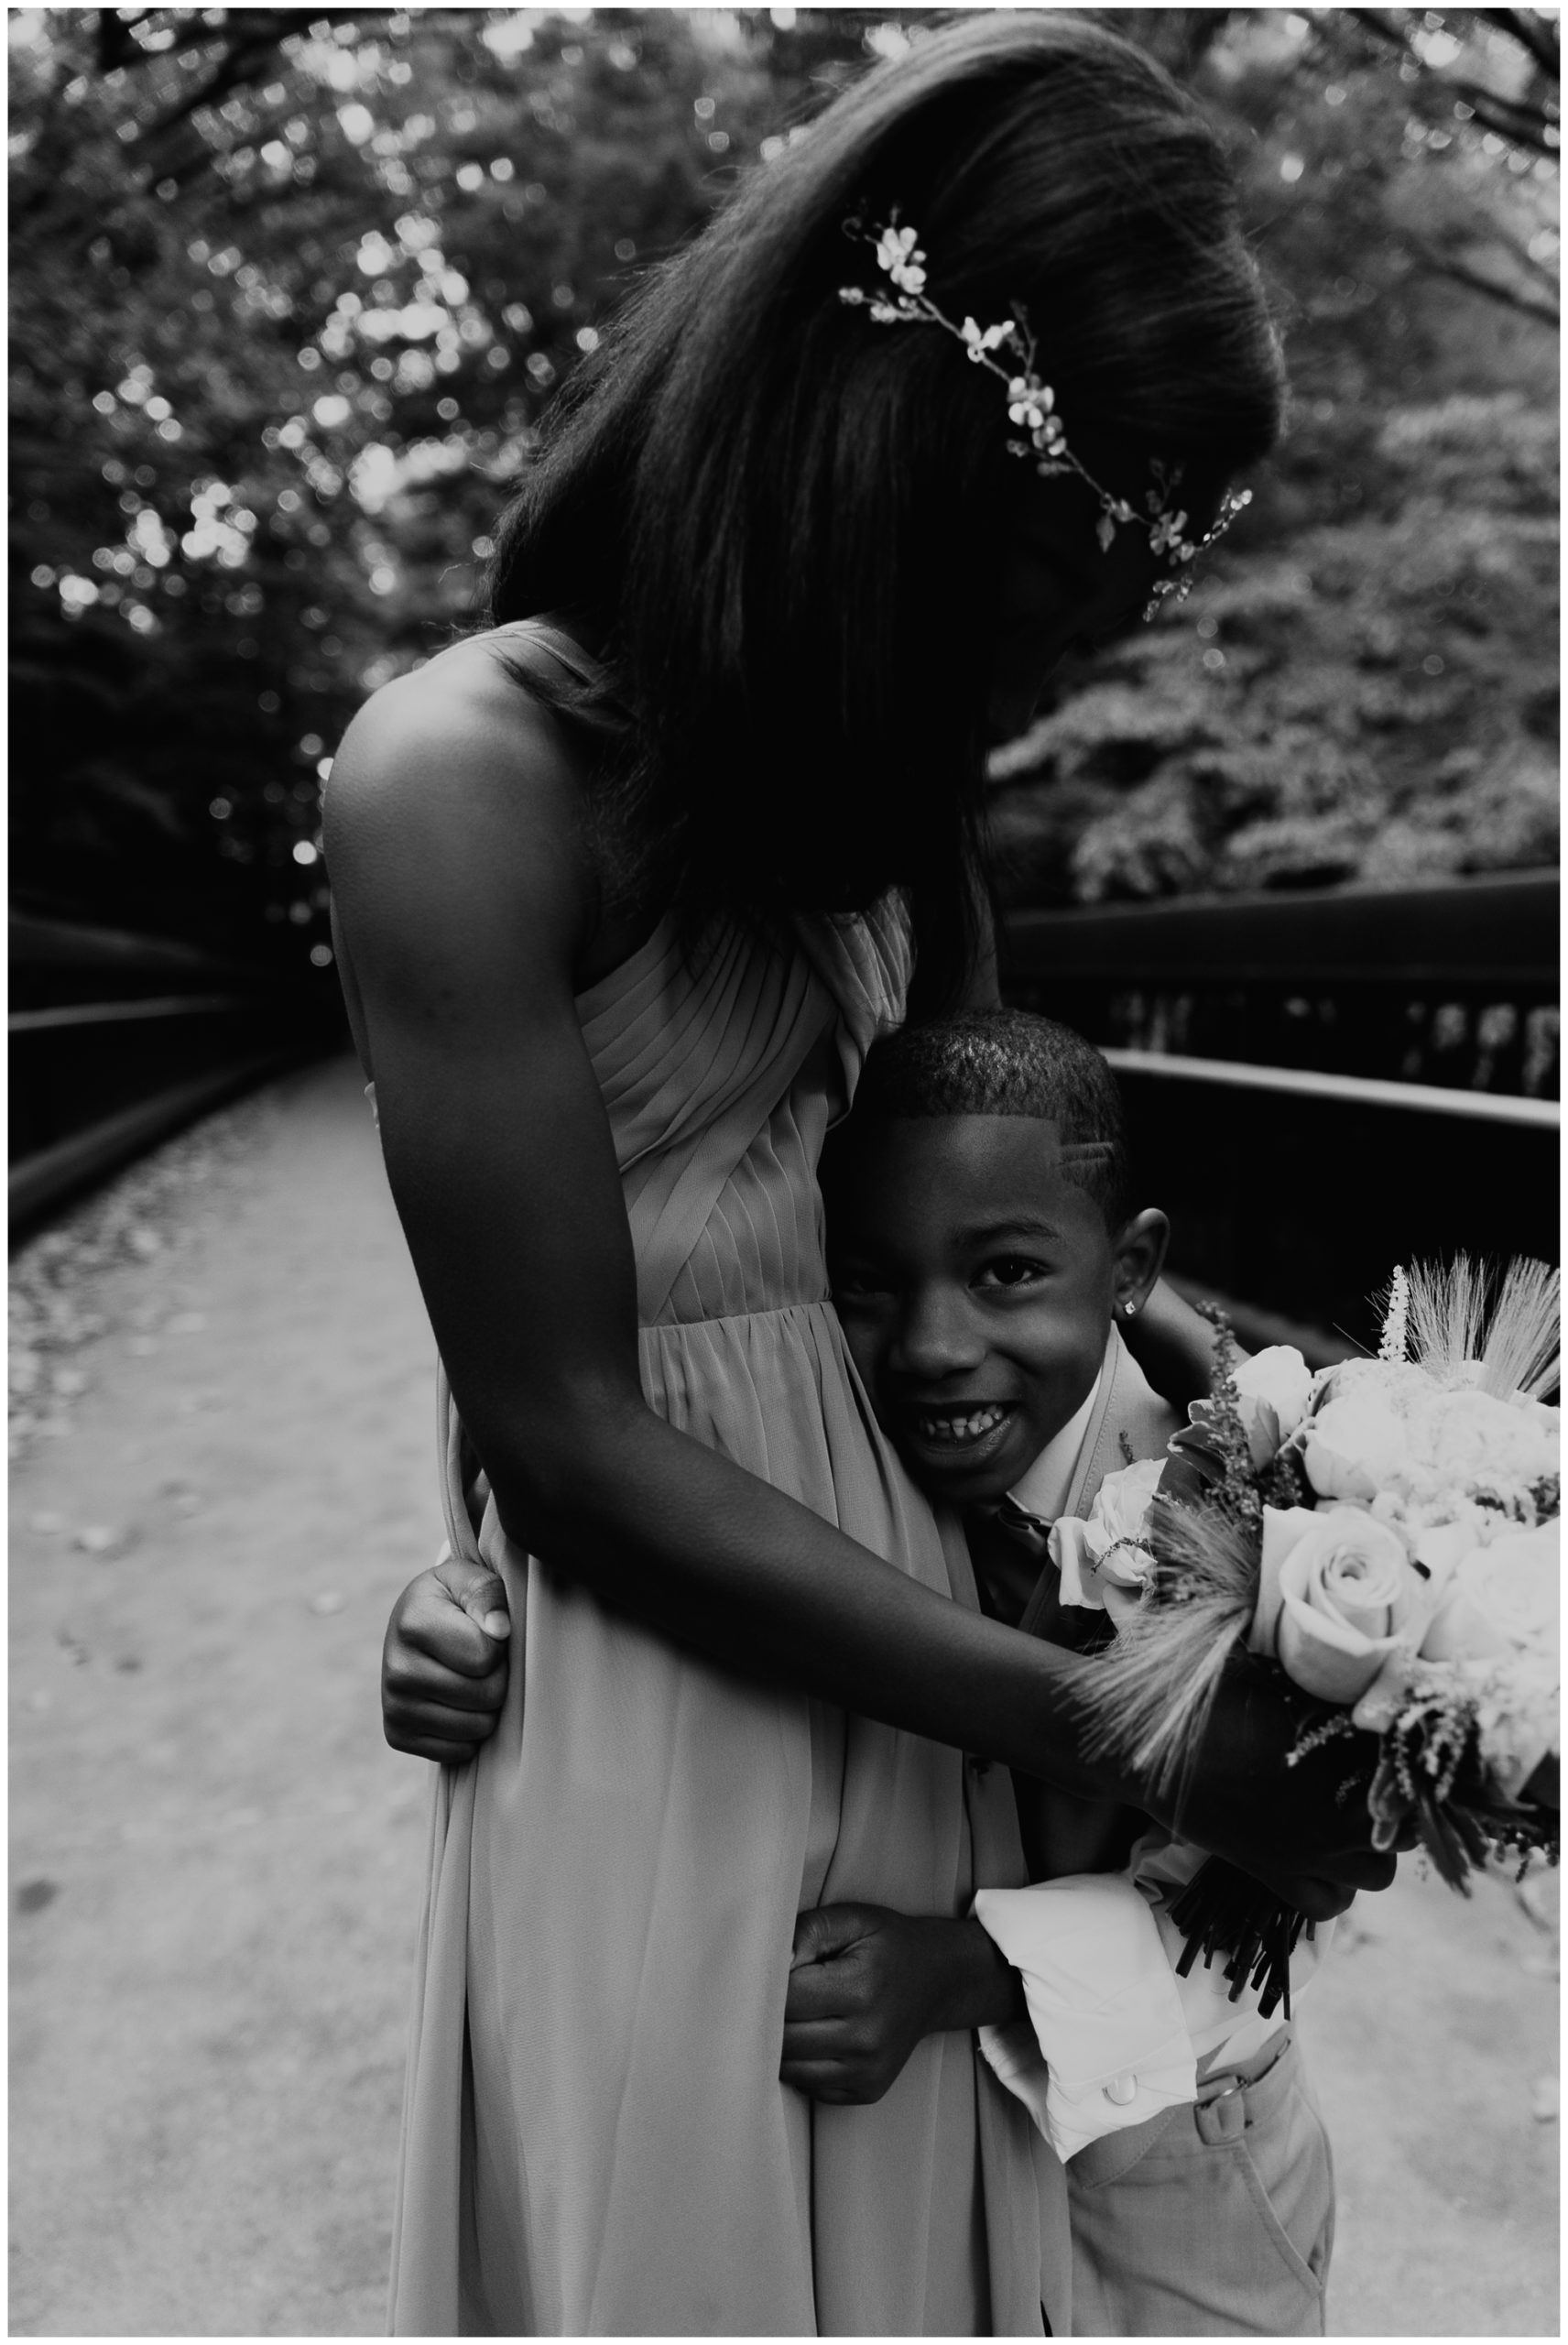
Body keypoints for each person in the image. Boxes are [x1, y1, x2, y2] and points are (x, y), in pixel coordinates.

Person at [335, 14, 1389, 2333]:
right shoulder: (457, 784)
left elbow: (1002, 1244)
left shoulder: (890, 805)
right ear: (878, 466)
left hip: (940, 1703)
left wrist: (1284, 1463)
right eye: (1015, 615)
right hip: (674, 1736)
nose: (1006, 703)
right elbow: (573, 1428)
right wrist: (1105, 1721)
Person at [781, 1009, 1338, 2339]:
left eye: (1005, 1273)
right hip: (928, 2152)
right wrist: (463, 1613)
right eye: (867, 1283)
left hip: (1179, 2158)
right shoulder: (817, 1476)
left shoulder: (1263, 1526)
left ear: (1128, 1263)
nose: (930, 1346)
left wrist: (972, 1970)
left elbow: (1266, 1907)